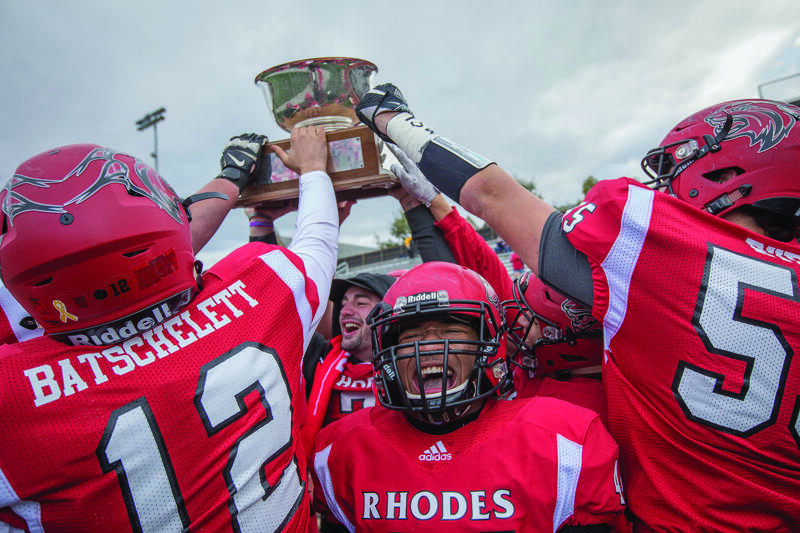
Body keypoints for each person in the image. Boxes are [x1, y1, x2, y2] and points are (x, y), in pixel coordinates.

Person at [356, 86, 800, 531]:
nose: (666, 187)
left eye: (679, 165)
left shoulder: (669, 262)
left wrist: (392, 120)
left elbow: (493, 197)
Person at [0, 126, 338, 531]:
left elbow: (102, 265)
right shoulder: (259, 294)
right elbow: (318, 241)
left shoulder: (14, 393)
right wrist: (314, 169)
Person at [311, 261, 625, 532]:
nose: (430, 346)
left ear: (488, 345)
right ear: (387, 352)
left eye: (451, 330)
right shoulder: (341, 450)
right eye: (412, 334)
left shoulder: (563, 443)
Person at [390, 149, 607, 423]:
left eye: (531, 319)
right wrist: (434, 203)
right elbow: (485, 267)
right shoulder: (562, 373)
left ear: (565, 341)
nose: (518, 320)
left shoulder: (572, 410)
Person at [299, 272, 395, 461]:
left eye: (361, 303)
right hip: (329, 476)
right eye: (343, 304)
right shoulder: (321, 356)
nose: (346, 311)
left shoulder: (406, 364)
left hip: (389, 473)